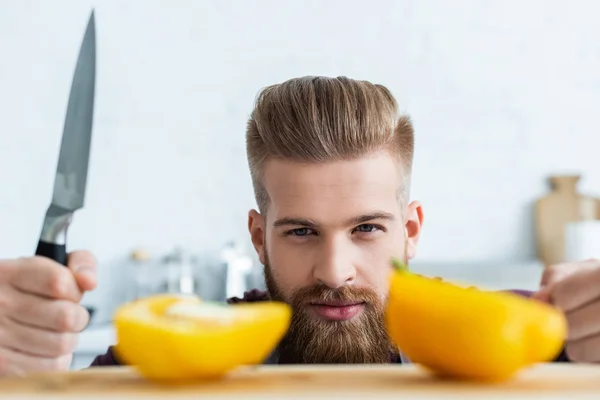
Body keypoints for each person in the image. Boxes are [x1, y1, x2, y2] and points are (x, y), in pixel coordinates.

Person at [1, 76, 599, 375]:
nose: (336, 271)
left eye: (366, 228)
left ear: (410, 231)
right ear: (259, 236)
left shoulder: (537, 341)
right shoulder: (159, 366)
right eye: (302, 232)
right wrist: (24, 373)